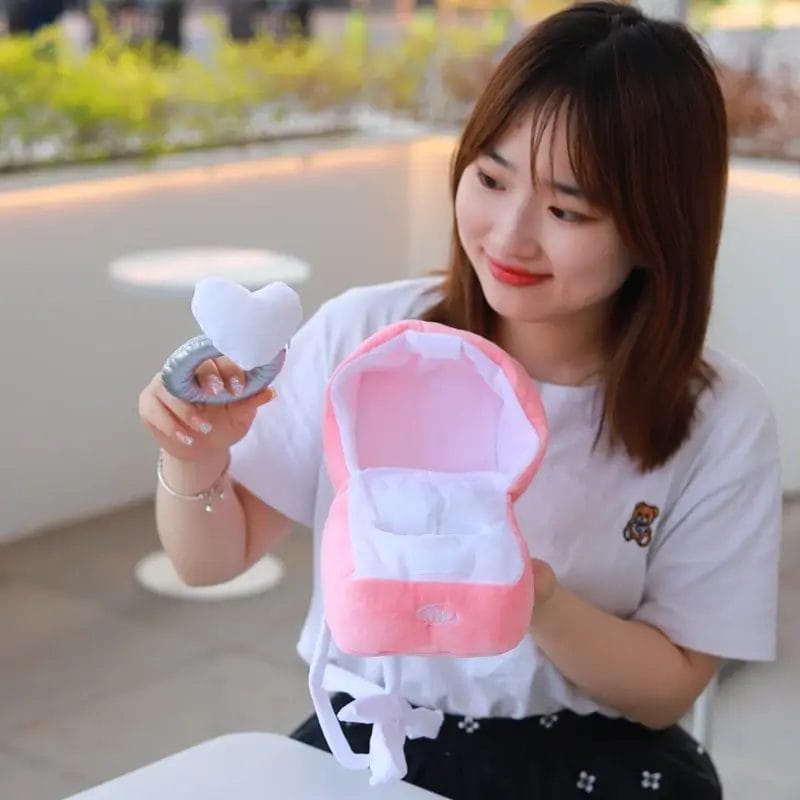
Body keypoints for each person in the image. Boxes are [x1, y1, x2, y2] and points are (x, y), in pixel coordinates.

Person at [137, 2, 783, 797]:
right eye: (490, 178)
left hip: (595, 757)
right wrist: (194, 455)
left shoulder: (720, 419)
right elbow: (209, 560)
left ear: (657, 227)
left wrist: (531, 597)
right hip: (378, 741)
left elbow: (669, 688)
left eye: (567, 209)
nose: (508, 235)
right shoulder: (369, 341)